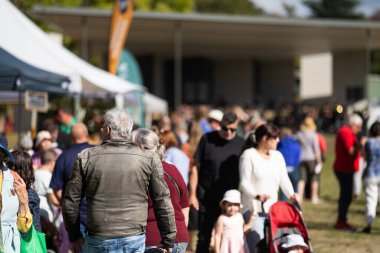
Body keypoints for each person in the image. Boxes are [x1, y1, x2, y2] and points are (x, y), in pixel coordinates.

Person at [62, 108, 176, 253]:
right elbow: (162, 200)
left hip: (99, 237)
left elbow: (71, 202)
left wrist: (75, 236)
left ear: (108, 130)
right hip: (133, 237)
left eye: (102, 128)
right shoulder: (149, 158)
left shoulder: (86, 157)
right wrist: (168, 238)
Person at [189, 112, 245, 253]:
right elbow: (195, 167)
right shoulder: (207, 140)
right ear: (219, 125)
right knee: (204, 237)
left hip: (230, 200)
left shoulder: (241, 143)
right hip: (207, 196)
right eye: (225, 128)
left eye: (232, 129)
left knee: (230, 237)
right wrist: (192, 195)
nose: (228, 132)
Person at [239, 124, 297, 253]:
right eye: (275, 138)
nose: (278, 140)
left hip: (273, 212)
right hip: (253, 211)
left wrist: (292, 195)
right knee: (256, 246)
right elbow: (244, 183)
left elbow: (284, 179)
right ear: (265, 138)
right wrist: (257, 196)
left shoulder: (278, 156)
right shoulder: (248, 156)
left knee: (273, 246)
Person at [131, 128, 189, 253]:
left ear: (140, 148)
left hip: (153, 240)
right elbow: (185, 205)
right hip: (179, 239)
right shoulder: (173, 169)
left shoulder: (137, 174)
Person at [50, 123, 93, 238]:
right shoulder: (97, 152)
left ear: (71, 137)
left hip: (74, 217)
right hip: (96, 213)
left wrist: (65, 204)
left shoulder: (63, 157)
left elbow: (56, 188)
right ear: (86, 134)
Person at [0, 140, 33, 252]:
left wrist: (24, 201)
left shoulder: (14, 179)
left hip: (8, 245)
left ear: (2, 155)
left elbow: (24, 227)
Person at [333, 113, 364, 231]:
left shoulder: (347, 132)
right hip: (344, 169)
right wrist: (360, 145)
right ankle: (341, 221)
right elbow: (351, 151)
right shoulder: (345, 132)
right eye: (359, 126)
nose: (360, 129)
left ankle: (342, 220)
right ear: (353, 125)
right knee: (345, 196)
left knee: (347, 195)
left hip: (347, 168)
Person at [11, 149, 42, 232]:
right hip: (25, 240)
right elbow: (37, 226)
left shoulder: (30, 196)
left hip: (20, 238)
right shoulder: (32, 194)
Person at [296, 117, 322, 204]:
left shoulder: (299, 134)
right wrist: (319, 161)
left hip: (301, 158)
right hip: (312, 158)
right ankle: (314, 197)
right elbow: (316, 149)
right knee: (314, 178)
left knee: (302, 178)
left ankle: (299, 196)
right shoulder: (314, 135)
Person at [362, 121, 380, 233]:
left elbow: (364, 157)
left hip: (371, 173)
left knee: (371, 200)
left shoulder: (368, 142)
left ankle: (369, 223)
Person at [34, 149, 59, 223]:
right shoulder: (48, 176)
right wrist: (61, 205)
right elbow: (52, 198)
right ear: (52, 163)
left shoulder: (35, 173)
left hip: (34, 207)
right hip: (45, 209)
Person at [277, 127, 302, 200]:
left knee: (284, 187)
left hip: (284, 168)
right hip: (294, 167)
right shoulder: (296, 144)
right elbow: (298, 156)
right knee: (294, 187)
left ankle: (283, 202)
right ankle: (295, 203)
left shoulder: (279, 144)